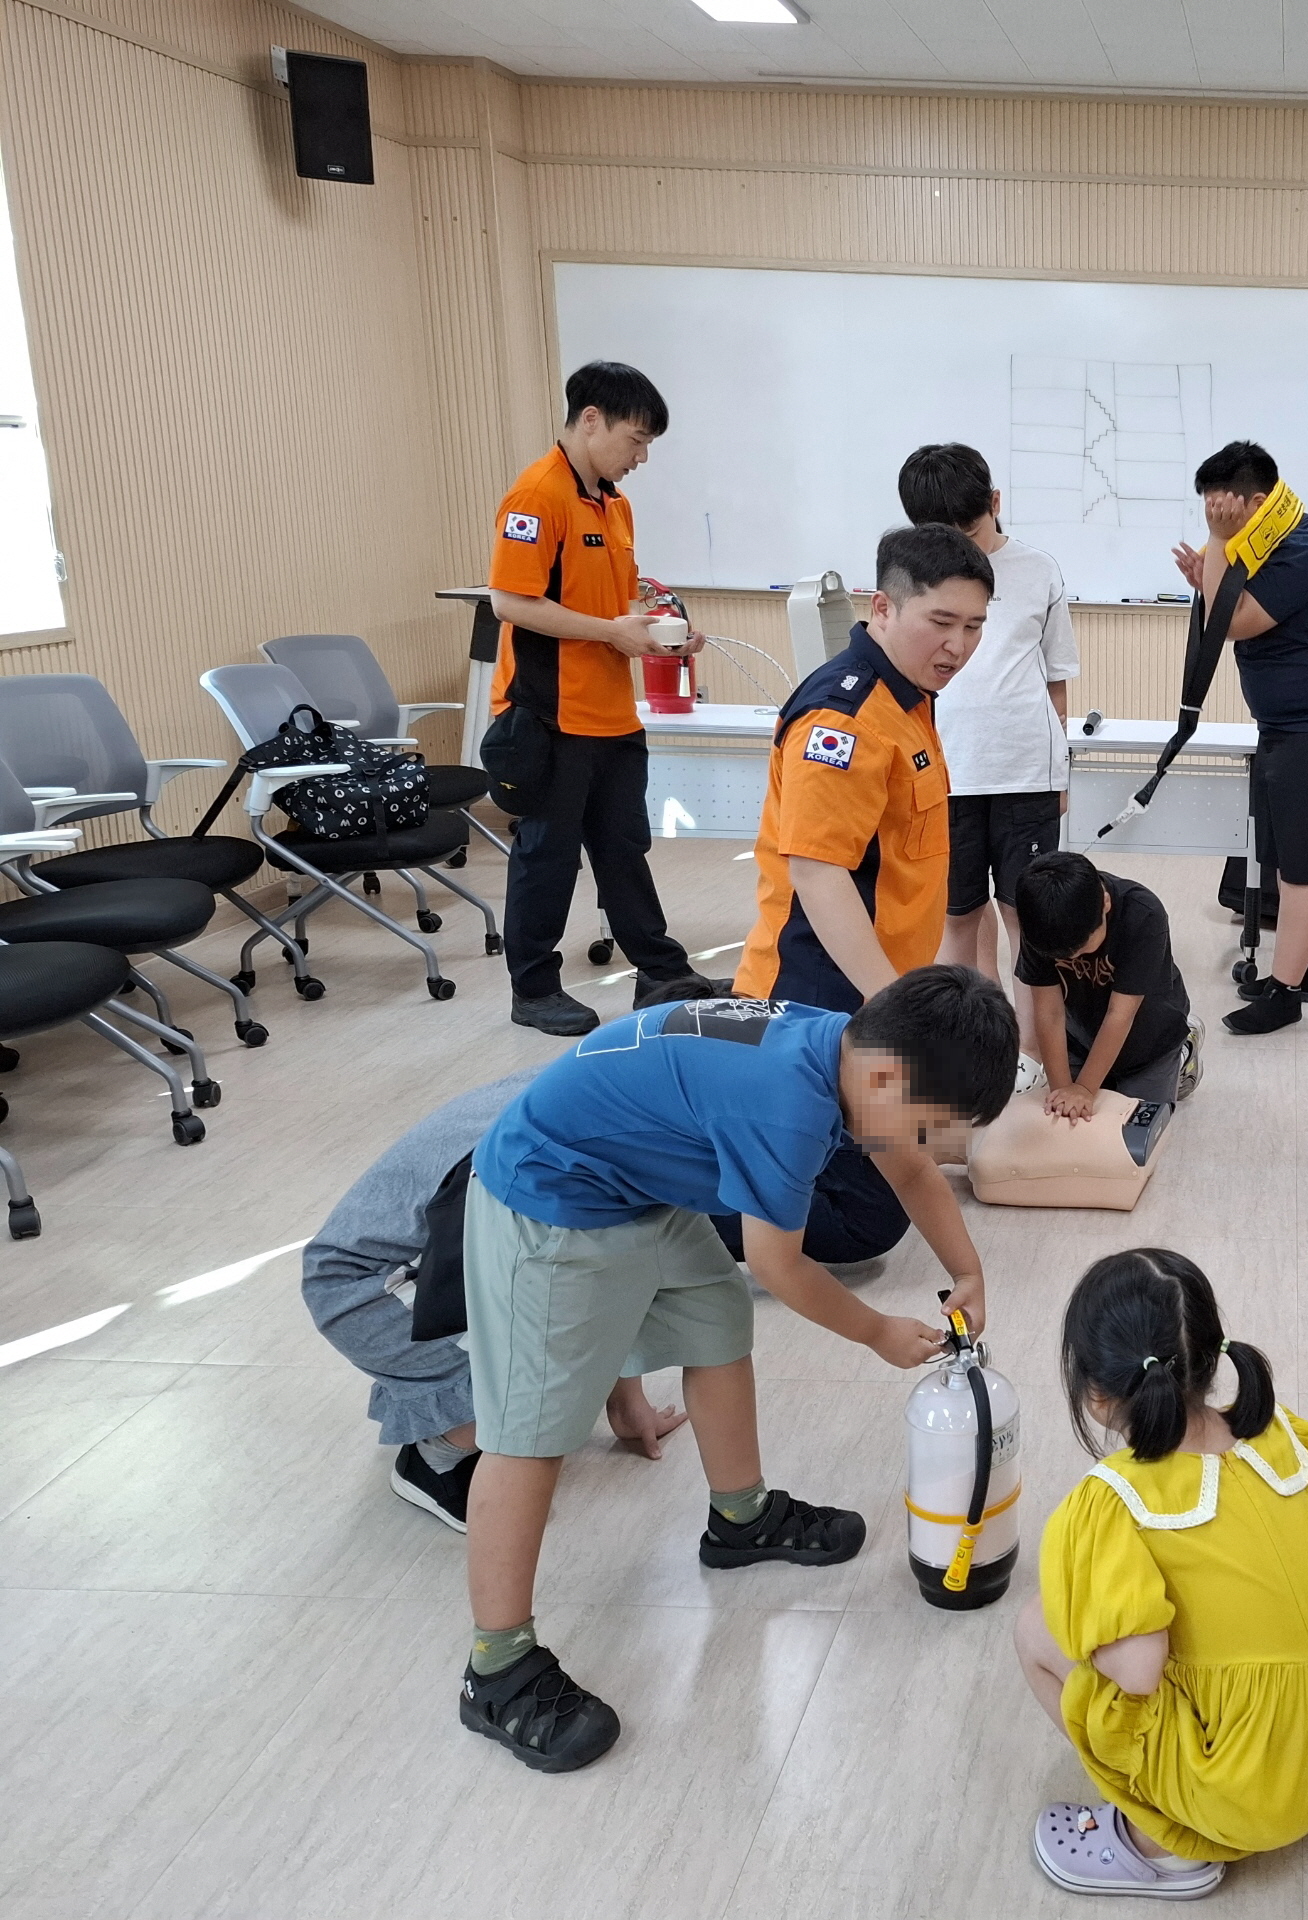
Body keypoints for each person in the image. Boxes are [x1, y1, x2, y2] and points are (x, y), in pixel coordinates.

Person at [456, 969, 1017, 1772]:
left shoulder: (850, 1047)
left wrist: (969, 1270)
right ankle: (497, 1666)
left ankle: (741, 1518)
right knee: (531, 1434)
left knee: (717, 1325)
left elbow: (907, 1167)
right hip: (551, 1194)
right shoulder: (784, 1106)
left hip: (636, 1182)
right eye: (929, 1125)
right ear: (887, 1079)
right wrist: (876, 1332)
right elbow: (780, 1266)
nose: (926, 1143)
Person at [1014, 1248, 1308, 1899]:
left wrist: (1093, 1606)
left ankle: (1162, 1849)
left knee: (1036, 1627)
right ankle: (1269, 1788)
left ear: (1096, 1394)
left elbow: (1137, 1672)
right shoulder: (1285, 1437)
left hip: (1246, 1792)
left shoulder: (1114, 1500)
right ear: (1212, 1359)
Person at [301, 1070, 687, 1534]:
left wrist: (626, 1400)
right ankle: (437, 1457)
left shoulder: (591, 1084)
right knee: (560, 1333)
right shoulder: (561, 1150)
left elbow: (618, 1269)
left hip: (383, 1272)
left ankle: (461, 1405)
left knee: (583, 1287)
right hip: (364, 1292)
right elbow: (587, 1284)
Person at [486, 360, 724, 1037]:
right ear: (590, 420)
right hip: (549, 714)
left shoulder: (614, 503)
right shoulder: (537, 496)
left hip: (613, 714)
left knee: (623, 849)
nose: (641, 457)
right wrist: (611, 631)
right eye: (636, 439)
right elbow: (510, 602)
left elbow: (609, 607)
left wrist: (657, 635)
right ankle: (534, 989)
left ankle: (661, 973)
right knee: (547, 855)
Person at [1169, 442, 1308, 1038]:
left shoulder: (1302, 551)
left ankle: (1284, 996)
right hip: (1290, 727)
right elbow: (1230, 609)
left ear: (1257, 502)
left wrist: (1216, 547)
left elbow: (1230, 623)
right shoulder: (1265, 546)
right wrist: (1214, 570)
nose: (1216, 522)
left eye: (1223, 512)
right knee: (1287, 857)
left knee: (1305, 868)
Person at [734, 524, 993, 1014]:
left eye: (973, 626)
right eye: (941, 622)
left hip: (880, 983)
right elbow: (818, 872)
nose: (957, 646)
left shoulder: (908, 696)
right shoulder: (844, 720)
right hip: (821, 994)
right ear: (883, 608)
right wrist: (892, 1005)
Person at [898, 443, 1078, 1033]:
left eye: (969, 530)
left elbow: (1055, 681)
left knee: (1026, 914)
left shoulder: (1038, 569)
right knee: (957, 915)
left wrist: (1059, 771)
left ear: (995, 503)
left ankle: (1034, 1050)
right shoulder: (911, 576)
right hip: (945, 773)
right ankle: (975, 1038)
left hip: (1025, 768)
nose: (958, 547)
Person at [1012, 851, 1200, 1115]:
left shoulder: (1143, 913)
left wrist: (1084, 1089)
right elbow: (1049, 1013)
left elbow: (1119, 1014)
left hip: (1150, 1042)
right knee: (1069, 1121)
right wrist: (1062, 1092)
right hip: (1081, 1037)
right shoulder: (1040, 920)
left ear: (1106, 903)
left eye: (1080, 949)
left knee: (1134, 1124)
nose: (1072, 958)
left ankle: (1182, 1055)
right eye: (1061, 957)